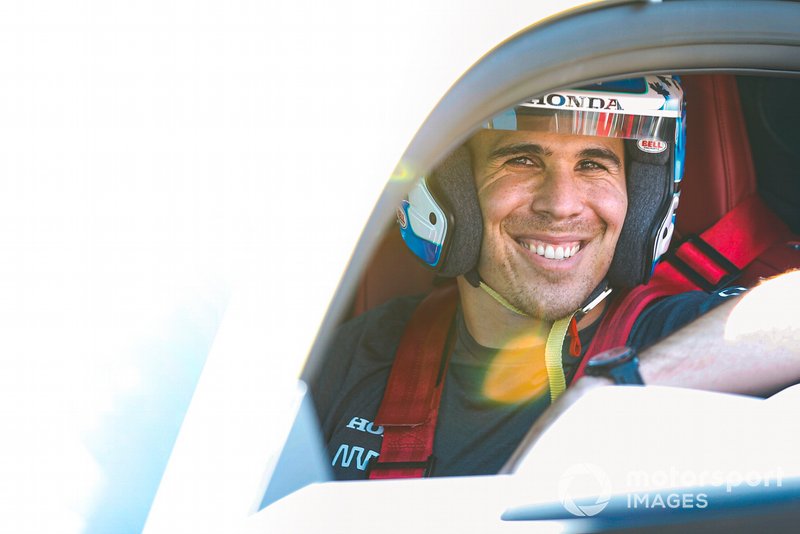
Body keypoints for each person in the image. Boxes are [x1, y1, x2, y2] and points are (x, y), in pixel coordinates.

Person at [312, 76, 796, 480]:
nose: (562, 203)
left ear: (641, 195)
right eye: (522, 159)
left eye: (592, 164)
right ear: (449, 191)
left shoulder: (686, 341)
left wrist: (622, 386)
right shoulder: (356, 357)